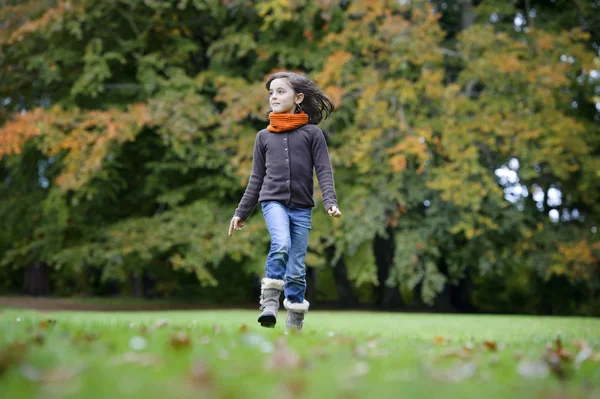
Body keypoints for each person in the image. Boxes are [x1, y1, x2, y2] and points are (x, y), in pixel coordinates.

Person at [228, 71, 341, 333]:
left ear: (298, 97)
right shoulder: (263, 137)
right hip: (273, 202)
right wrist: (241, 212)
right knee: (281, 243)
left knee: (298, 267)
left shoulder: (313, 134)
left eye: (281, 91)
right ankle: (269, 303)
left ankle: (295, 320)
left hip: (302, 207)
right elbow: (256, 179)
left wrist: (330, 201)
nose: (274, 97)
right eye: (271, 93)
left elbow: (324, 170)